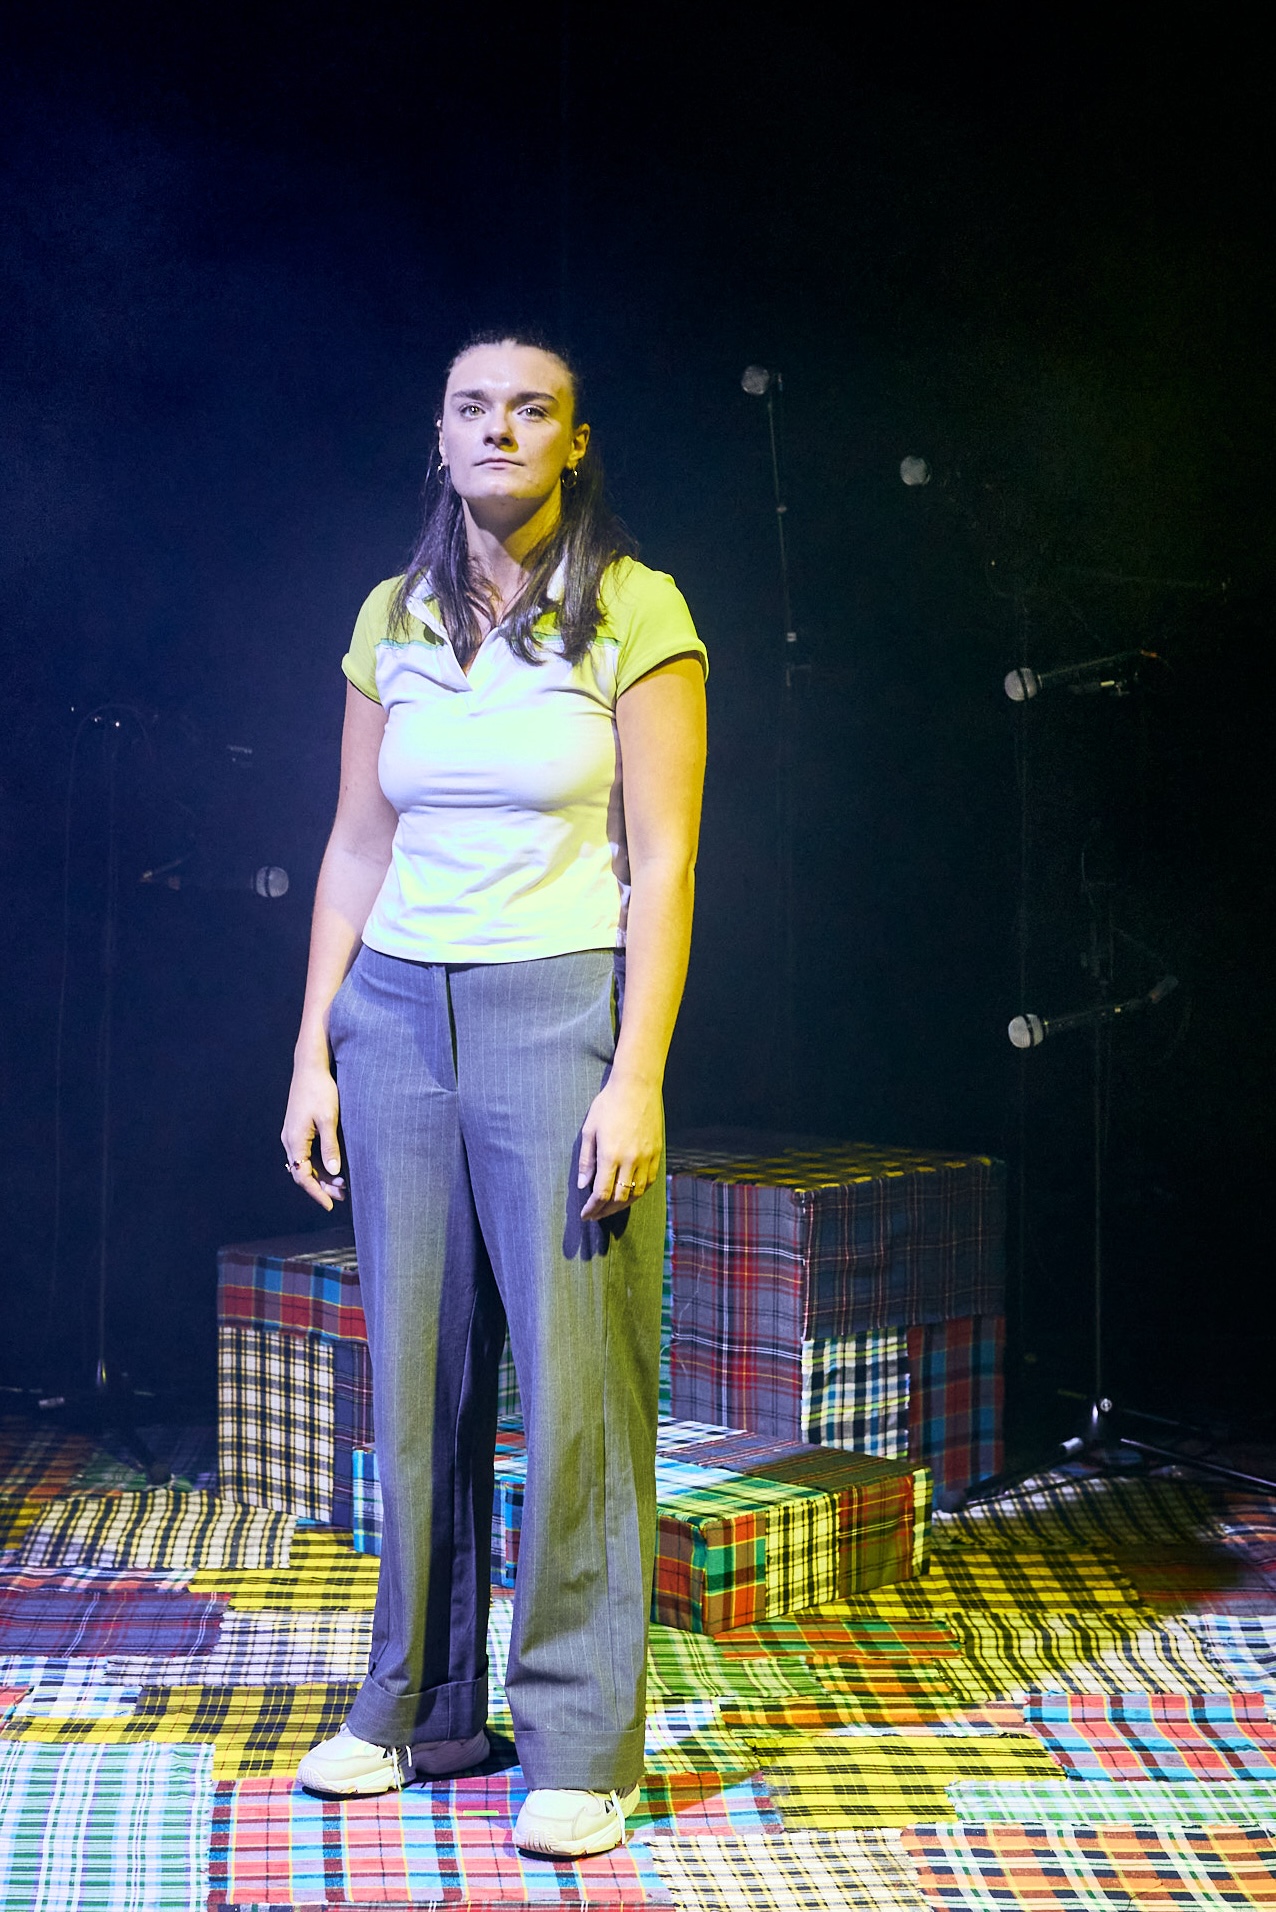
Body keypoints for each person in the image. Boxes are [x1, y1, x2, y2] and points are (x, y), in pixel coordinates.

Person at [280, 331, 707, 1859]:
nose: (500, 429)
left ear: (575, 443)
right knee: (419, 1380)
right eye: (474, 407)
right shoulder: (389, 615)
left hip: (556, 1011)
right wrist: (313, 1047)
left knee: (579, 1389)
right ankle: (421, 1703)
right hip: (394, 1015)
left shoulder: (637, 609)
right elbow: (356, 843)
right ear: (441, 433)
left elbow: (665, 863)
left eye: (533, 410)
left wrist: (637, 1072)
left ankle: (580, 1742)